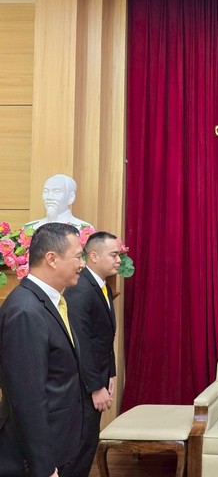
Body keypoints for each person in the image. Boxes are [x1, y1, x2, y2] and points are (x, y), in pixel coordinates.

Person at [0, 223, 85, 477]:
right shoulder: (26, 311)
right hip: (35, 457)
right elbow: (27, 398)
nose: (82, 264)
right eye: (78, 257)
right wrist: (44, 466)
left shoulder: (51, 301)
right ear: (52, 259)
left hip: (58, 441)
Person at [64, 231, 121, 477]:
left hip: (98, 374)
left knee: (88, 443)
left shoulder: (100, 285)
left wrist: (111, 372)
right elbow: (82, 343)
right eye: (114, 255)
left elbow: (104, 337)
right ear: (94, 256)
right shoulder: (81, 289)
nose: (119, 260)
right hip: (83, 385)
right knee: (80, 447)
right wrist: (95, 387)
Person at [25, 174, 92, 229]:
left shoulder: (83, 229)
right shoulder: (31, 228)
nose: (49, 197)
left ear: (71, 197)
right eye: (46, 191)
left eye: (56, 192)